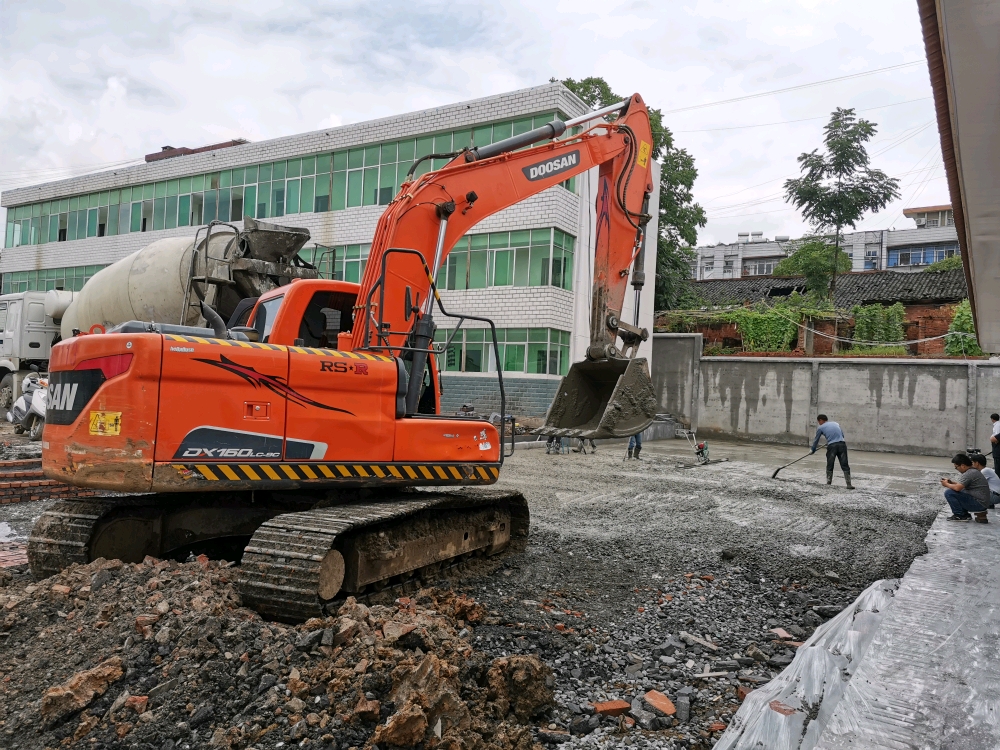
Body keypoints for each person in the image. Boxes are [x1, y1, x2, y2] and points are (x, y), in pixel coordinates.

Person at [941, 453, 991, 523]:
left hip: (979, 504)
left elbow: (957, 488)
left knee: (949, 493)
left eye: (956, 467)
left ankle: (960, 515)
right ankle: (964, 514)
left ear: (963, 466)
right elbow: (961, 485)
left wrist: (946, 484)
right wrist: (951, 483)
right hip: (982, 502)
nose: (956, 469)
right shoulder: (973, 471)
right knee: (960, 490)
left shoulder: (969, 473)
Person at [811, 414, 853, 489]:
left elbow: (816, 440)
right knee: (844, 464)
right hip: (842, 445)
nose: (819, 423)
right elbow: (842, 435)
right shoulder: (836, 424)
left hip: (832, 446)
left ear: (820, 420)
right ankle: (849, 484)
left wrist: (813, 449)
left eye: (819, 421)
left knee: (830, 463)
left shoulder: (821, 428)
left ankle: (828, 483)